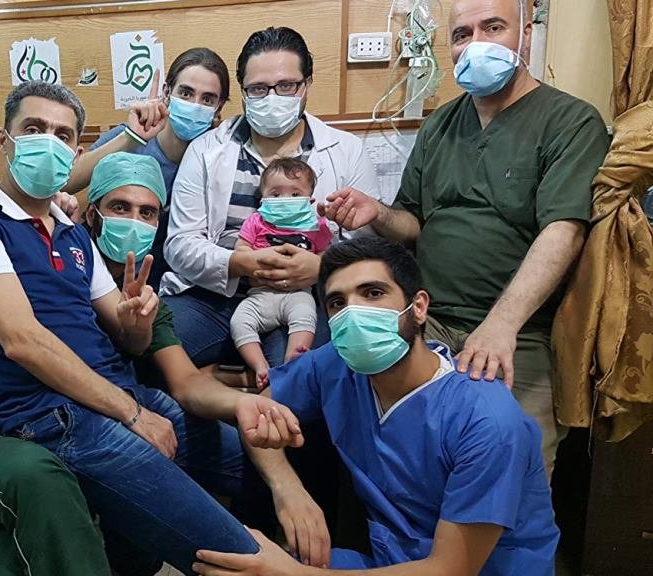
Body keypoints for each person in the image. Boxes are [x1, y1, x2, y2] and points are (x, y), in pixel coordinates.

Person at [0, 81, 265, 574]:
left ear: (76, 151)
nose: (48, 141)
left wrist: (138, 319)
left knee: (257, 467)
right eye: (34, 128)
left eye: (62, 135)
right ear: (4, 140)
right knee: (233, 551)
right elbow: (23, 342)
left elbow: (127, 334)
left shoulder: (72, 235)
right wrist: (131, 414)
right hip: (53, 419)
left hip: (120, 399)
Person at [318, 0, 612, 472]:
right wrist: (376, 213)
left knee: (510, 468)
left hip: (519, 331)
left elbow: (564, 230)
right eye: (461, 34)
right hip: (426, 318)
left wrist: (501, 325)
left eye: (493, 27)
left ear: (526, 35)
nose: (475, 44)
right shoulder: (440, 126)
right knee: (383, 445)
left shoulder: (569, 122)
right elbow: (412, 221)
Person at [193, 236, 560, 575]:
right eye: (338, 303)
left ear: (418, 307)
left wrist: (294, 573)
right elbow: (263, 408)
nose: (354, 313)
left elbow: (450, 569)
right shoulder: (335, 364)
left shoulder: (486, 420)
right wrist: (287, 488)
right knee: (235, 561)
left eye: (373, 293)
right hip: (386, 562)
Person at [80, 150, 303, 574]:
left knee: (261, 466)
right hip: (94, 422)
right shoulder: (63, 276)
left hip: (154, 414)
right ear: (92, 214)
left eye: (147, 213)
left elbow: (184, 381)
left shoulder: (149, 301)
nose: (133, 221)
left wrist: (243, 405)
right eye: (119, 207)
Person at [162, 27, 385, 370]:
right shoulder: (207, 149)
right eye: (258, 89)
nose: (272, 97)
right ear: (244, 92)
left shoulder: (347, 151)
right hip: (216, 298)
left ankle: (244, 396)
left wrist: (320, 267)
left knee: (299, 364)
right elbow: (180, 245)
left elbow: (369, 250)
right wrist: (240, 263)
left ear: (306, 85)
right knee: (157, 343)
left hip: (306, 296)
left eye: (286, 86)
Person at [67, 47, 232, 288]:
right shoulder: (134, 136)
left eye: (207, 99)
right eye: (186, 93)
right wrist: (132, 137)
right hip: (107, 263)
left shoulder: (219, 156)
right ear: (167, 92)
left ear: (219, 106)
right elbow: (65, 181)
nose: (195, 105)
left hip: (171, 271)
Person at [232, 157, 334, 387]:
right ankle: (259, 365)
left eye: (295, 195)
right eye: (276, 195)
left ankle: (293, 357)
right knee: (239, 322)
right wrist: (255, 260)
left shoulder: (316, 224)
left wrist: (315, 263)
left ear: (310, 198)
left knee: (307, 317)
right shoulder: (256, 221)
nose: (285, 200)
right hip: (258, 296)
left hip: (297, 294)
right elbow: (241, 249)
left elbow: (326, 254)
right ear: (263, 197)